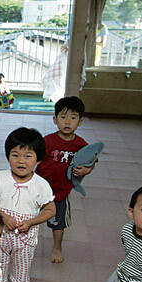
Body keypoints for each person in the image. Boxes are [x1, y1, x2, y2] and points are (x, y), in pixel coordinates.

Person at [0, 127, 56, 282]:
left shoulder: (41, 185)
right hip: (0, 236)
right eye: (15, 155)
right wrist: (3, 216)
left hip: (26, 239)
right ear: (8, 157)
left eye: (28, 156)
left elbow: (51, 211)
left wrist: (32, 221)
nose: (21, 161)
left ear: (38, 160)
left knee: (21, 273)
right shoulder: (0, 178)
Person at [36, 96, 95, 263]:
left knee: (58, 222)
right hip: (40, 188)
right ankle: (19, 241)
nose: (68, 122)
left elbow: (91, 162)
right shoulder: (47, 141)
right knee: (27, 213)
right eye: (63, 117)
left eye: (73, 117)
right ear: (55, 120)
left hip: (62, 191)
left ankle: (57, 247)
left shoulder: (81, 145)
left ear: (80, 122)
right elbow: (35, 159)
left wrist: (87, 170)